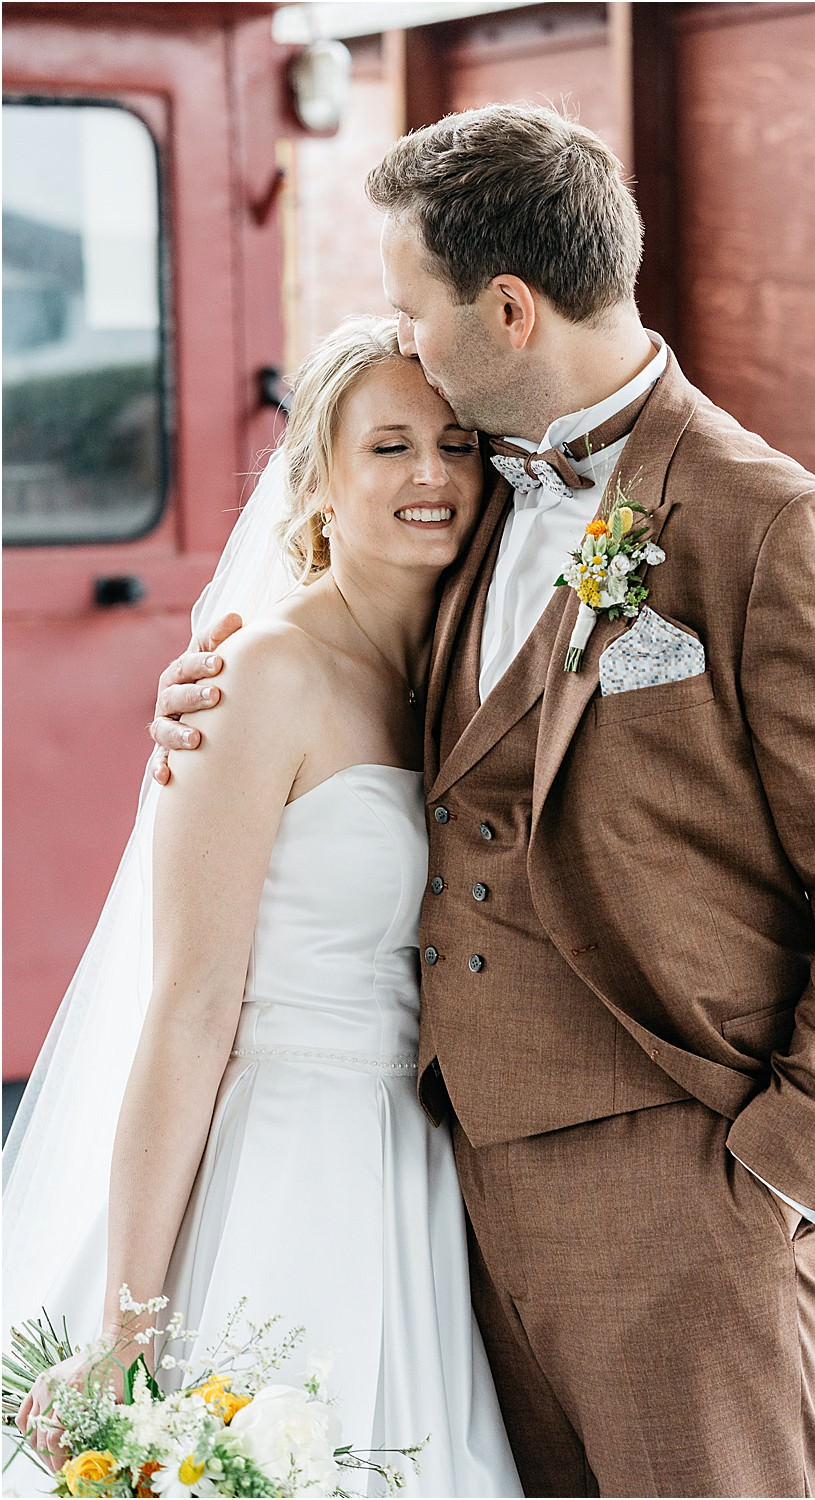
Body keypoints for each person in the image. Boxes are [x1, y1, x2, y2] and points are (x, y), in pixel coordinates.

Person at [150, 107, 815, 1499]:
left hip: (691, 1208)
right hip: (453, 1205)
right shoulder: (472, 498)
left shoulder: (771, 525)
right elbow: (370, 692)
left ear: (508, 309)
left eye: (415, 309)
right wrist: (214, 692)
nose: (405, 341)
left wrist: (790, 1168)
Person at [5, 316, 522, 1499]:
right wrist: (127, 1330)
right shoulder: (254, 677)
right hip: (287, 1156)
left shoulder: (475, 671)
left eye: (455, 444)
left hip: (433, 1172)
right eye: (388, 447)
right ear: (320, 480)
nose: (432, 476)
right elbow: (187, 1008)